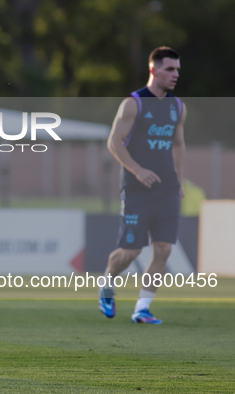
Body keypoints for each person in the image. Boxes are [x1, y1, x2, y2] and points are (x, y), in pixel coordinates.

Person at [99, 47, 187, 324]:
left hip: (167, 189)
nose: (175, 75)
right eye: (170, 69)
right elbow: (114, 142)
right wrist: (138, 170)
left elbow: (179, 145)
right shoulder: (133, 103)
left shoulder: (177, 107)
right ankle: (107, 283)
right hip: (136, 189)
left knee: (164, 249)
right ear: (153, 70)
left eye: (177, 70)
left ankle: (142, 308)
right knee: (131, 251)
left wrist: (179, 182)